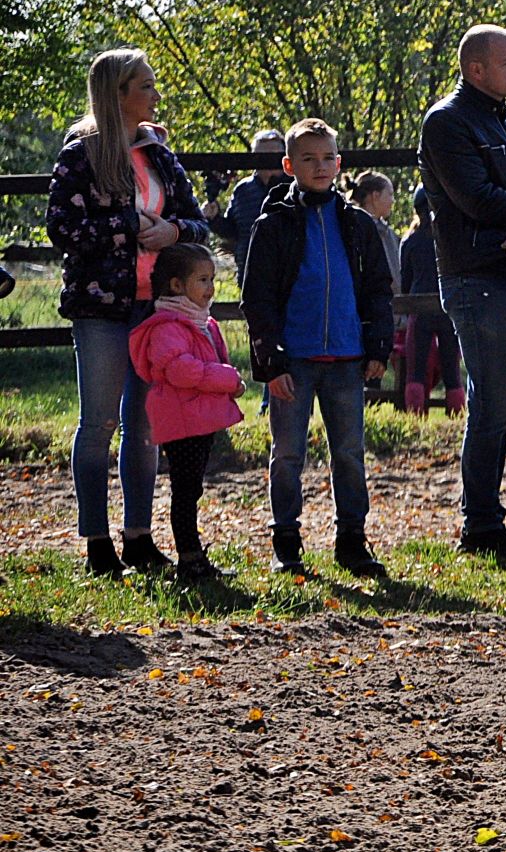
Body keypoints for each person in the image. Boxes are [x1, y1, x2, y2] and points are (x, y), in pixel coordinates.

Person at [46, 47, 210, 577]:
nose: (156, 94)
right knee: (98, 423)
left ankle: (138, 536)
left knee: (144, 425)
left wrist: (174, 232)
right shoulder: (80, 155)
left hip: (155, 309)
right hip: (101, 307)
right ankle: (96, 541)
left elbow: (198, 222)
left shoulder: (158, 154)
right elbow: (63, 231)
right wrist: (126, 226)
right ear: (119, 93)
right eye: (146, 84)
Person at [240, 118, 394, 578]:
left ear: (339, 163)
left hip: (347, 358)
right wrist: (270, 361)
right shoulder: (274, 226)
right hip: (294, 360)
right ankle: (286, 539)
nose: (320, 166)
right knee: (288, 454)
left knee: (349, 451)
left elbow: (379, 289)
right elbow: (258, 298)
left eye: (328, 158)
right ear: (289, 165)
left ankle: (352, 539)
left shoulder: (358, 225)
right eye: (308, 158)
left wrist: (378, 348)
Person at [420, 25, 506, 559]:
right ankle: (481, 524)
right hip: (476, 273)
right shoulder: (447, 122)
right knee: (493, 399)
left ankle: (487, 516)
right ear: (476, 69)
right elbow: (476, 198)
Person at [128, 242, 244, 583]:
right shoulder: (167, 327)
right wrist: (227, 379)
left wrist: (229, 383)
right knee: (186, 490)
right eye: (203, 280)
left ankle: (192, 556)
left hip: (198, 419)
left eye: (212, 280)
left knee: (191, 489)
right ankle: (190, 559)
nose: (210, 288)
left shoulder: (201, 322)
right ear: (177, 285)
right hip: (182, 422)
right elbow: (180, 370)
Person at [396, 187, 464, 417]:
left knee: (415, 368)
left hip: (419, 307)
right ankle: (456, 413)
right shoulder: (452, 238)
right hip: (448, 307)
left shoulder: (410, 240)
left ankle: (415, 413)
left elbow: (405, 281)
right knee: (452, 369)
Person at [204, 128, 287, 286]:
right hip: (250, 275)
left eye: (273, 155)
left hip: (289, 276)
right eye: (261, 156)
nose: (268, 161)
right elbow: (234, 232)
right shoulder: (243, 190)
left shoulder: (295, 187)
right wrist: (214, 218)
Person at [350, 171, 402, 292]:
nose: (393, 200)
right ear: (375, 196)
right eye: (389, 194)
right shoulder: (355, 230)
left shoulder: (388, 233)